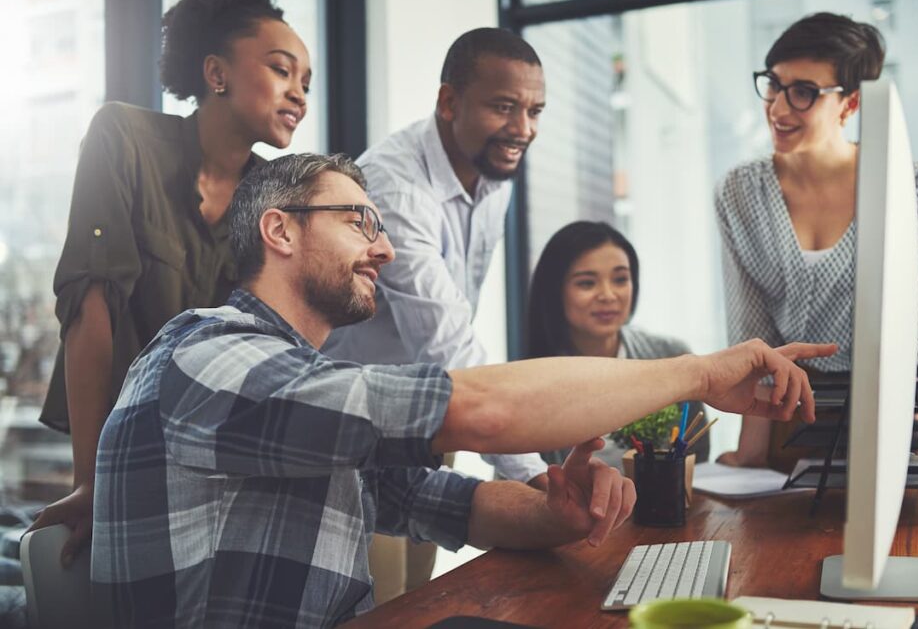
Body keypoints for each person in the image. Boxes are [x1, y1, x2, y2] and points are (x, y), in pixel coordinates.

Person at [91, 152, 834, 628]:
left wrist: (558, 512)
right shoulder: (206, 355)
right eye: (360, 222)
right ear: (279, 232)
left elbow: (448, 502)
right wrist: (701, 373)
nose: (383, 247)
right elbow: (479, 409)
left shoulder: (297, 383)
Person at [29, 0, 313, 565]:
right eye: (282, 69)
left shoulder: (275, 197)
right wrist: (91, 481)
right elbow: (90, 308)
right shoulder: (124, 138)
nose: (299, 95)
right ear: (217, 74)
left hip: (214, 463)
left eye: (306, 82)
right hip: (117, 445)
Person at [322, 27, 550, 594]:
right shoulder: (395, 190)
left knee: (420, 594)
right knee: (380, 602)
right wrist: (537, 475)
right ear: (449, 102)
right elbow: (447, 342)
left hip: (425, 410)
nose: (523, 129)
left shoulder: (493, 172)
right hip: (358, 424)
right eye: (504, 107)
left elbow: (458, 309)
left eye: (534, 110)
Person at [714, 12, 918, 469]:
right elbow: (751, 342)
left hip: (882, 412)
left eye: (803, 93)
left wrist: (907, 441)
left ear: (850, 104)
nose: (778, 108)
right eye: (773, 85)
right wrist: (750, 454)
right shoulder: (739, 191)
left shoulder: (906, 185)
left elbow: (907, 333)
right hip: (784, 413)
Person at [526, 221, 709, 469]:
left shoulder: (672, 357)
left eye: (620, 279)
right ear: (555, 291)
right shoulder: (530, 380)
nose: (608, 295)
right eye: (587, 283)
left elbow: (697, 461)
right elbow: (515, 478)